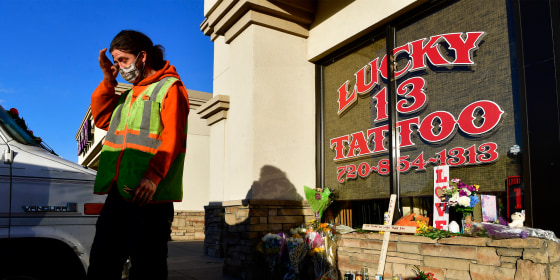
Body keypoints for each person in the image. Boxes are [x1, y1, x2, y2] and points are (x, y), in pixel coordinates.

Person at [87, 30, 190, 280]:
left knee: (147, 270)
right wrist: (107, 81)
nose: (119, 67)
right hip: (119, 194)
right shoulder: (129, 95)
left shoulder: (170, 89)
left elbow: (172, 138)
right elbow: (101, 119)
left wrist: (154, 176)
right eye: (116, 61)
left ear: (142, 56)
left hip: (149, 198)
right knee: (101, 266)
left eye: (123, 59)